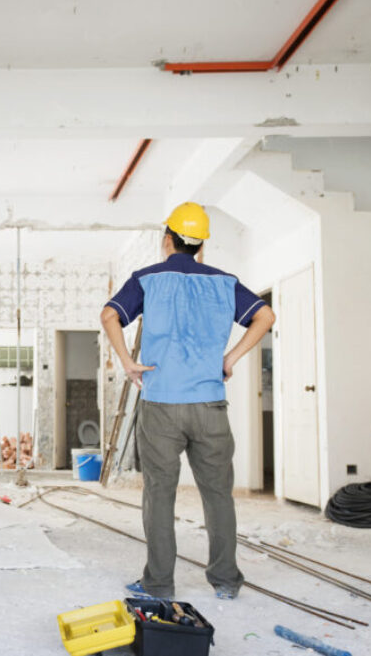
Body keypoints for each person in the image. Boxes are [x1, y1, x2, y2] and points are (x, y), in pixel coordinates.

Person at [100, 201, 275, 601]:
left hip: (161, 404)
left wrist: (128, 362)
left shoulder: (147, 279)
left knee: (159, 495)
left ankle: (159, 585)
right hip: (210, 404)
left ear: (167, 240)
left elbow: (110, 315)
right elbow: (265, 316)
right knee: (217, 495)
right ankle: (226, 582)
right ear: (201, 247)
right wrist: (229, 359)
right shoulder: (224, 282)